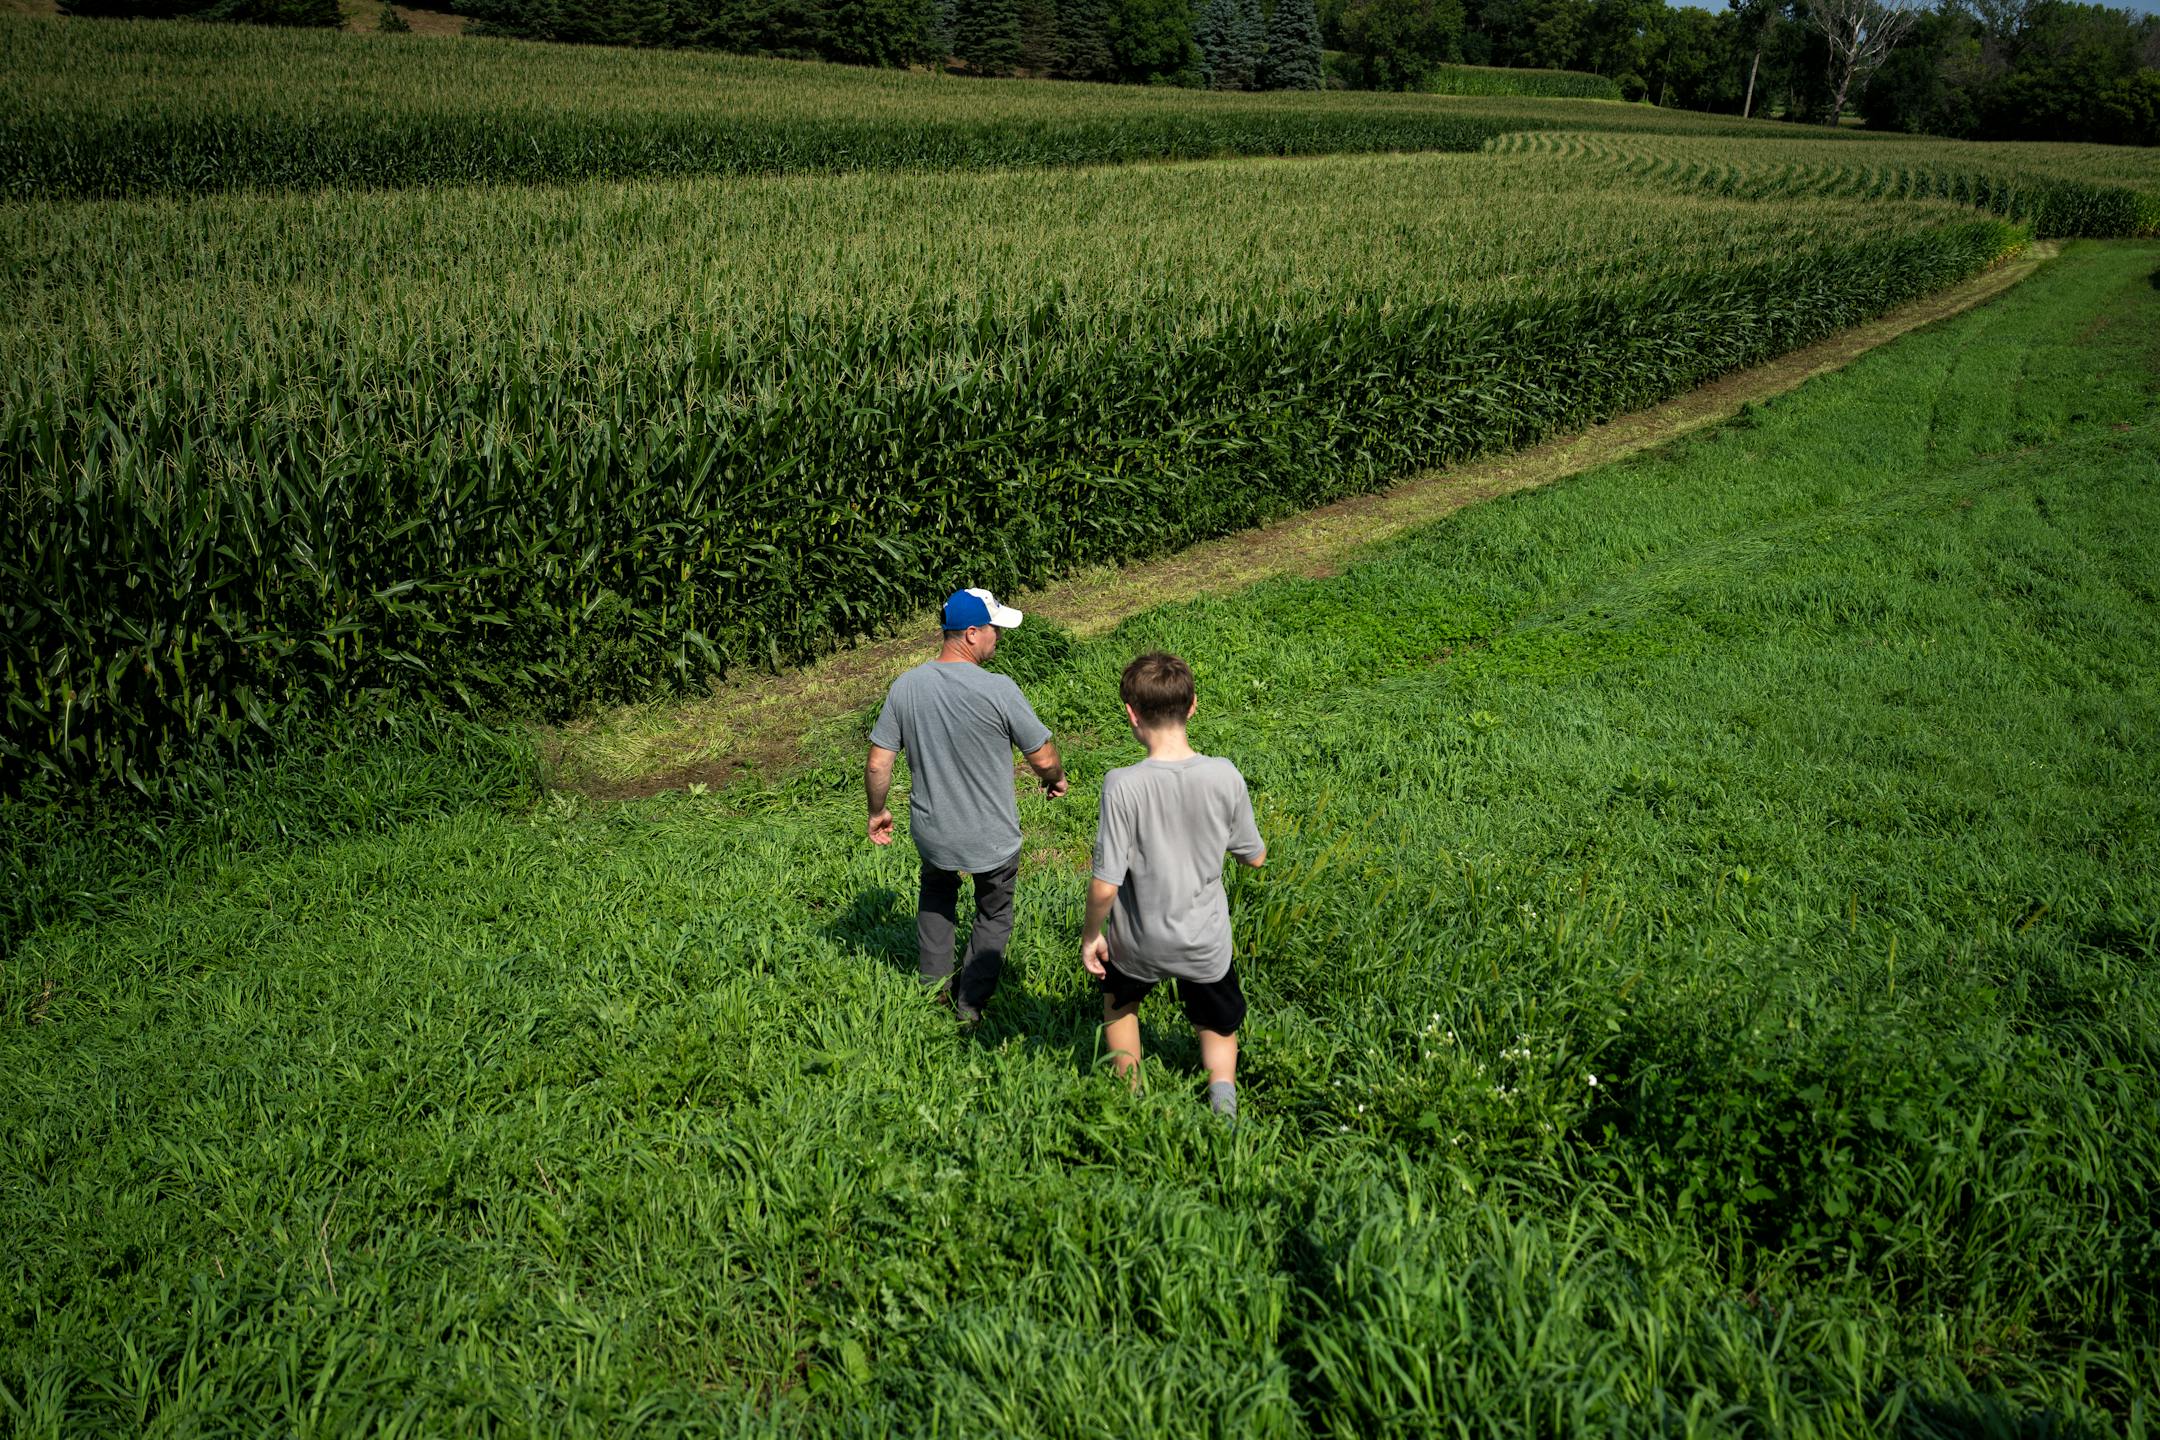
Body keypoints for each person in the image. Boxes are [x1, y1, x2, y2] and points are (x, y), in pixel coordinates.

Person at [867, 587, 1068, 1025]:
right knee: (994, 912)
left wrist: (877, 811)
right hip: (990, 836)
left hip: (934, 833)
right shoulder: (999, 688)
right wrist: (1055, 778)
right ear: (972, 633)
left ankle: (933, 990)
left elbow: (879, 762)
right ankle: (970, 1005)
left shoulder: (906, 686)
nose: (999, 636)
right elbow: (1042, 756)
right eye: (995, 629)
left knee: (937, 895)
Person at [1080, 652, 1265, 1119]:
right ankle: (1223, 1104)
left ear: (1131, 714)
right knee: (1217, 1022)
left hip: (1137, 942)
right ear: (1193, 705)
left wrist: (1090, 936)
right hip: (1205, 940)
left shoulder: (1121, 784)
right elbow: (1254, 857)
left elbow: (1105, 884)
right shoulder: (1224, 774)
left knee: (1119, 1005)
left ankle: (1131, 1098)